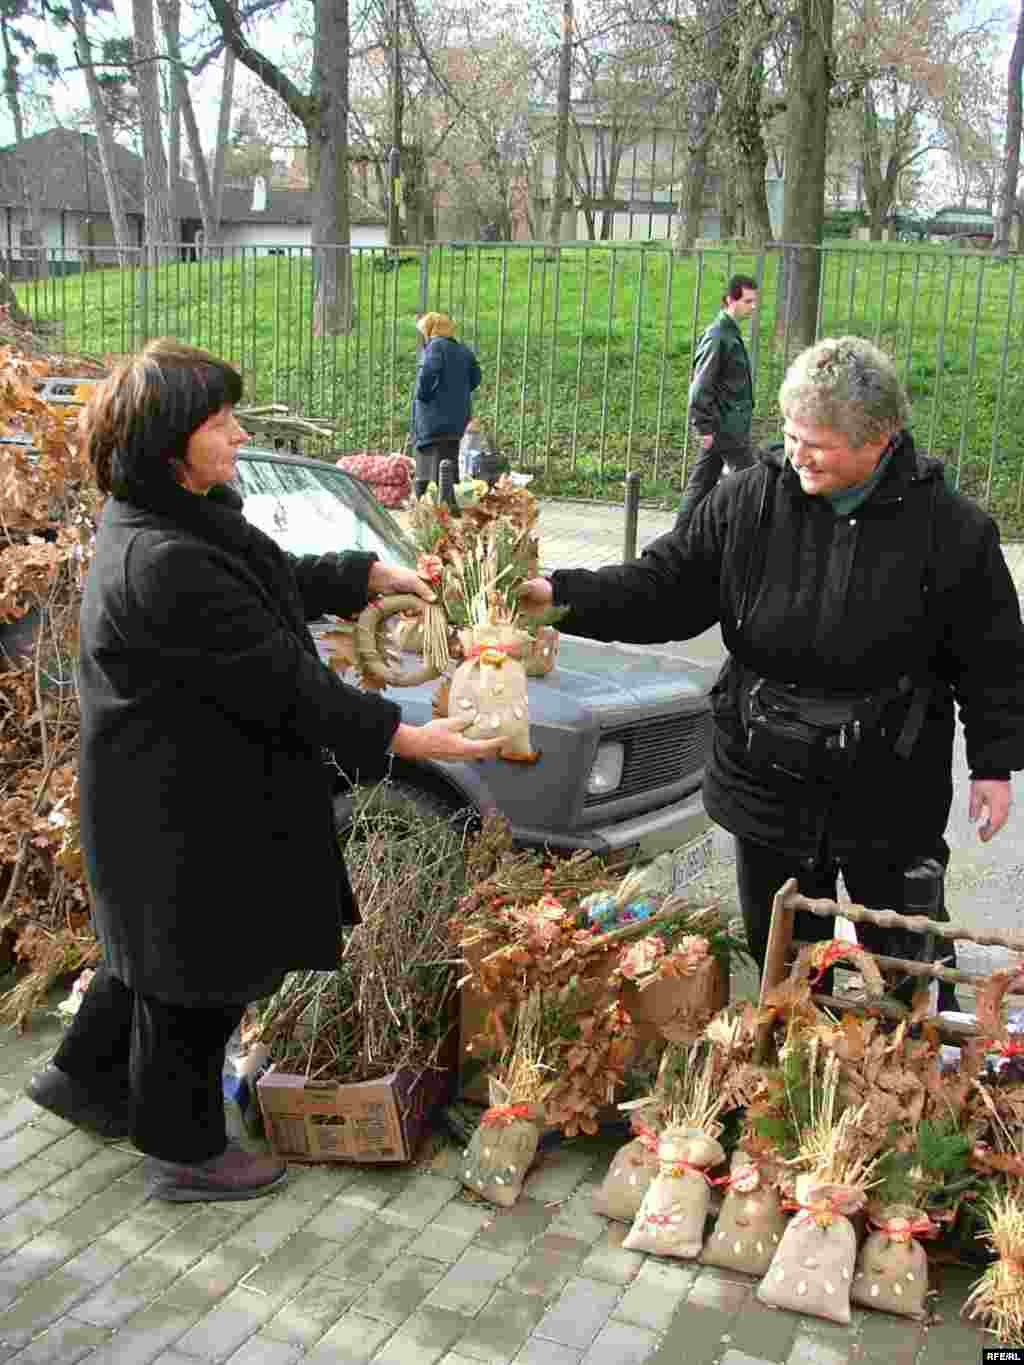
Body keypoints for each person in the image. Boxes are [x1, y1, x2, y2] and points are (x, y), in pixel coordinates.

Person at [25, 339, 502, 1202]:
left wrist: (366, 573)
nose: (240, 434)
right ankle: (185, 1151)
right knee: (195, 976)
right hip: (175, 810)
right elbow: (289, 686)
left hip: (169, 792)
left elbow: (270, 579)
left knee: (147, 952)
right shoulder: (164, 560)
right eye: (221, 422)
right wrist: (411, 736)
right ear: (170, 444)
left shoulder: (180, 519)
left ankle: (82, 1079)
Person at [520, 336, 1024, 1003]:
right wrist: (560, 598)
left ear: (880, 439)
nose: (797, 454)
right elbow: (664, 586)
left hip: (889, 790)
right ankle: (792, 1058)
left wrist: (993, 764)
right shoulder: (748, 500)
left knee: (911, 975)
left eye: (817, 443)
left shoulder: (951, 529)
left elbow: (992, 656)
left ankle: (913, 1051)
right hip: (766, 784)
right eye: (790, 435)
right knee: (787, 974)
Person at [676, 274, 759, 533]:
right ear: (730, 300)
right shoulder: (718, 335)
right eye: (747, 301)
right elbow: (701, 385)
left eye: (754, 301)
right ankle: (747, 536)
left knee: (701, 484)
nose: (753, 307)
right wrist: (703, 426)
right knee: (751, 482)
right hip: (725, 427)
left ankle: (679, 539)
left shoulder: (729, 333)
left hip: (726, 424)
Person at [412, 312, 481, 500]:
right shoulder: (463, 350)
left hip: (435, 416)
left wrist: (423, 395)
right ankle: (451, 502)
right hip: (458, 417)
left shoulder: (435, 346)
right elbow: (476, 377)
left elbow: (428, 373)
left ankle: (434, 504)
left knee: (432, 465)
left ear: (430, 329)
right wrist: (459, 393)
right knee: (450, 461)